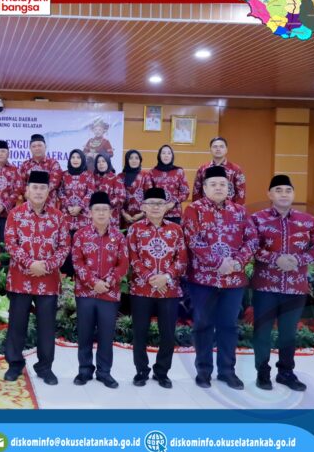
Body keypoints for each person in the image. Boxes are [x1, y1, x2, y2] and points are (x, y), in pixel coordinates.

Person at [183, 166, 257, 390]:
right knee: (203, 325)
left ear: (229, 188)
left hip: (233, 281)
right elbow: (192, 240)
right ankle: (203, 371)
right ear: (205, 188)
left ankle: (227, 371)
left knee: (229, 326)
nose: (218, 188)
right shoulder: (194, 210)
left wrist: (237, 262)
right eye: (213, 184)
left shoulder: (240, 211)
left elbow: (252, 240)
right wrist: (218, 263)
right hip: (202, 281)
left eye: (222, 184)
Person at [251, 175, 314, 391]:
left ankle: (286, 372)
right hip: (265, 286)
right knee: (262, 331)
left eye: (288, 190)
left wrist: (297, 260)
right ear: (269, 194)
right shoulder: (257, 219)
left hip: (295, 287)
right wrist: (276, 259)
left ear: (293, 194)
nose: (284, 194)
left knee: (288, 333)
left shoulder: (307, 220)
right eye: (278, 190)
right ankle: (262, 372)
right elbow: (251, 246)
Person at [3, 171, 70, 386]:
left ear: (48, 191)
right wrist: (30, 263)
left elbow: (64, 246)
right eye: (35, 187)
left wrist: (46, 266)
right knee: (17, 325)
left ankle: (45, 367)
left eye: (43, 188)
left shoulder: (58, 217)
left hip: (47, 281)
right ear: (27, 190)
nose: (39, 192)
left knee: (46, 327)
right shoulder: (15, 214)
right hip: (20, 279)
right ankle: (15, 365)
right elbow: (10, 243)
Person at [127, 187, 187, 389]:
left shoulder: (176, 230)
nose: (155, 207)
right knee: (140, 333)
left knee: (167, 334)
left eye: (160, 204)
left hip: (169, 290)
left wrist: (166, 277)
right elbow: (132, 258)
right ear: (143, 207)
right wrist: (151, 278)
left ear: (167, 207)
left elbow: (182, 259)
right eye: (151, 203)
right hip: (141, 290)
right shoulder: (135, 229)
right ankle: (141, 371)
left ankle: (162, 372)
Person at [71, 191, 128, 388]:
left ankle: (104, 372)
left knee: (106, 335)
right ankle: (84, 370)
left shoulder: (119, 237)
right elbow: (77, 262)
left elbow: (123, 264)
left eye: (105, 209)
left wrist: (108, 282)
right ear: (90, 213)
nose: (101, 213)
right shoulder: (80, 235)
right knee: (84, 333)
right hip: (85, 293)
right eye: (97, 210)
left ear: (111, 212)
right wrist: (93, 282)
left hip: (109, 294)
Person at [58, 149, 95, 277]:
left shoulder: (88, 175)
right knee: (66, 249)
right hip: (67, 217)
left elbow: (90, 192)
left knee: (81, 248)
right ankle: (67, 279)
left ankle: (82, 277)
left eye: (78, 157)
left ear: (82, 160)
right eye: (73, 157)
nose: (75, 160)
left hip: (83, 218)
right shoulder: (64, 175)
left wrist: (80, 206)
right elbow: (60, 192)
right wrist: (68, 206)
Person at [192, 137, 246, 205]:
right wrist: (198, 208)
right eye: (215, 147)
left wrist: (235, 209)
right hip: (206, 208)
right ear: (210, 149)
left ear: (226, 150)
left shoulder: (236, 169)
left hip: (229, 209)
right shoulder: (202, 169)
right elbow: (196, 192)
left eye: (221, 146)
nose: (218, 149)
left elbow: (241, 193)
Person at [18, 134, 63, 209]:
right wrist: (26, 193)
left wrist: (39, 192)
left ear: (45, 146)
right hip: (30, 203)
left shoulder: (53, 164)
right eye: (34, 146)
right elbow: (20, 183)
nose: (37, 148)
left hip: (49, 204)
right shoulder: (25, 165)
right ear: (30, 148)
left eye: (39, 145)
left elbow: (54, 182)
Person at [148, 145, 189, 224]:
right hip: (157, 212)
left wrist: (174, 202)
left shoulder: (179, 171)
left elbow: (185, 192)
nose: (166, 155)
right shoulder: (152, 172)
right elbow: (149, 193)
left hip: (175, 213)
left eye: (169, 153)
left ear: (172, 156)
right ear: (159, 156)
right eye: (163, 153)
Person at [118, 149, 151, 227]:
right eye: (131, 158)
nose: (134, 160)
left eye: (136, 158)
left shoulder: (145, 175)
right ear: (127, 160)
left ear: (140, 160)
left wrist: (142, 214)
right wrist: (124, 214)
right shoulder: (120, 176)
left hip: (142, 216)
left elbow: (150, 197)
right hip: (124, 217)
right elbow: (117, 197)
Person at [91, 153, 126, 225]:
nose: (101, 164)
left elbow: (121, 197)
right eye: (98, 162)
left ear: (108, 163)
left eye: (103, 161)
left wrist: (106, 204)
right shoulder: (92, 178)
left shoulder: (115, 178)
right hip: (95, 215)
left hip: (111, 215)